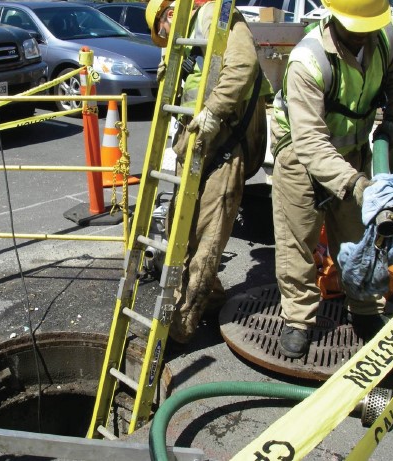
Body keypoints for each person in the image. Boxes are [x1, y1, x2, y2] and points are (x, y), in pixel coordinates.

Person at [271, 0, 393, 358]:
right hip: (300, 152)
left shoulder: (388, 36)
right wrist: (357, 187)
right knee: (297, 240)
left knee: (357, 236)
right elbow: (311, 143)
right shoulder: (308, 61)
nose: (363, 33)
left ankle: (364, 310)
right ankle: (299, 319)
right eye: (356, 26)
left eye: (370, 25)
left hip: (351, 150)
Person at [145, 0, 272, 345]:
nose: (166, 42)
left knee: (206, 236)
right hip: (202, 142)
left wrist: (214, 111)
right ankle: (212, 299)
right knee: (180, 228)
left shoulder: (210, 16)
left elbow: (243, 64)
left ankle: (182, 327)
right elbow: (175, 84)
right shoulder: (186, 39)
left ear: (169, 16)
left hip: (226, 139)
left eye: (163, 35)